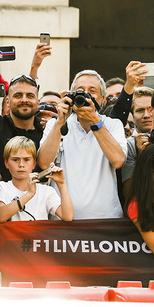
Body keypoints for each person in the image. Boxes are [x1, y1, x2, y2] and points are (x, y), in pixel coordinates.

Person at [38, 70, 127, 219]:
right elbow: (44, 163)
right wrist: (60, 122)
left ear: (103, 99)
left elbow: (118, 160)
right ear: (70, 96)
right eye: (80, 91)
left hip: (106, 220)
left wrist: (94, 121)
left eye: (92, 91)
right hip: (63, 219)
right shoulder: (56, 123)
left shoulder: (113, 125)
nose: (86, 95)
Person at [0, 136, 73, 222]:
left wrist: (62, 184)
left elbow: (68, 216)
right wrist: (29, 194)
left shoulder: (46, 191)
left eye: (26, 159)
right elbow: (1, 216)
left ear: (33, 164)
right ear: (6, 163)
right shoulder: (2, 187)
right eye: (16, 159)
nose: (21, 164)